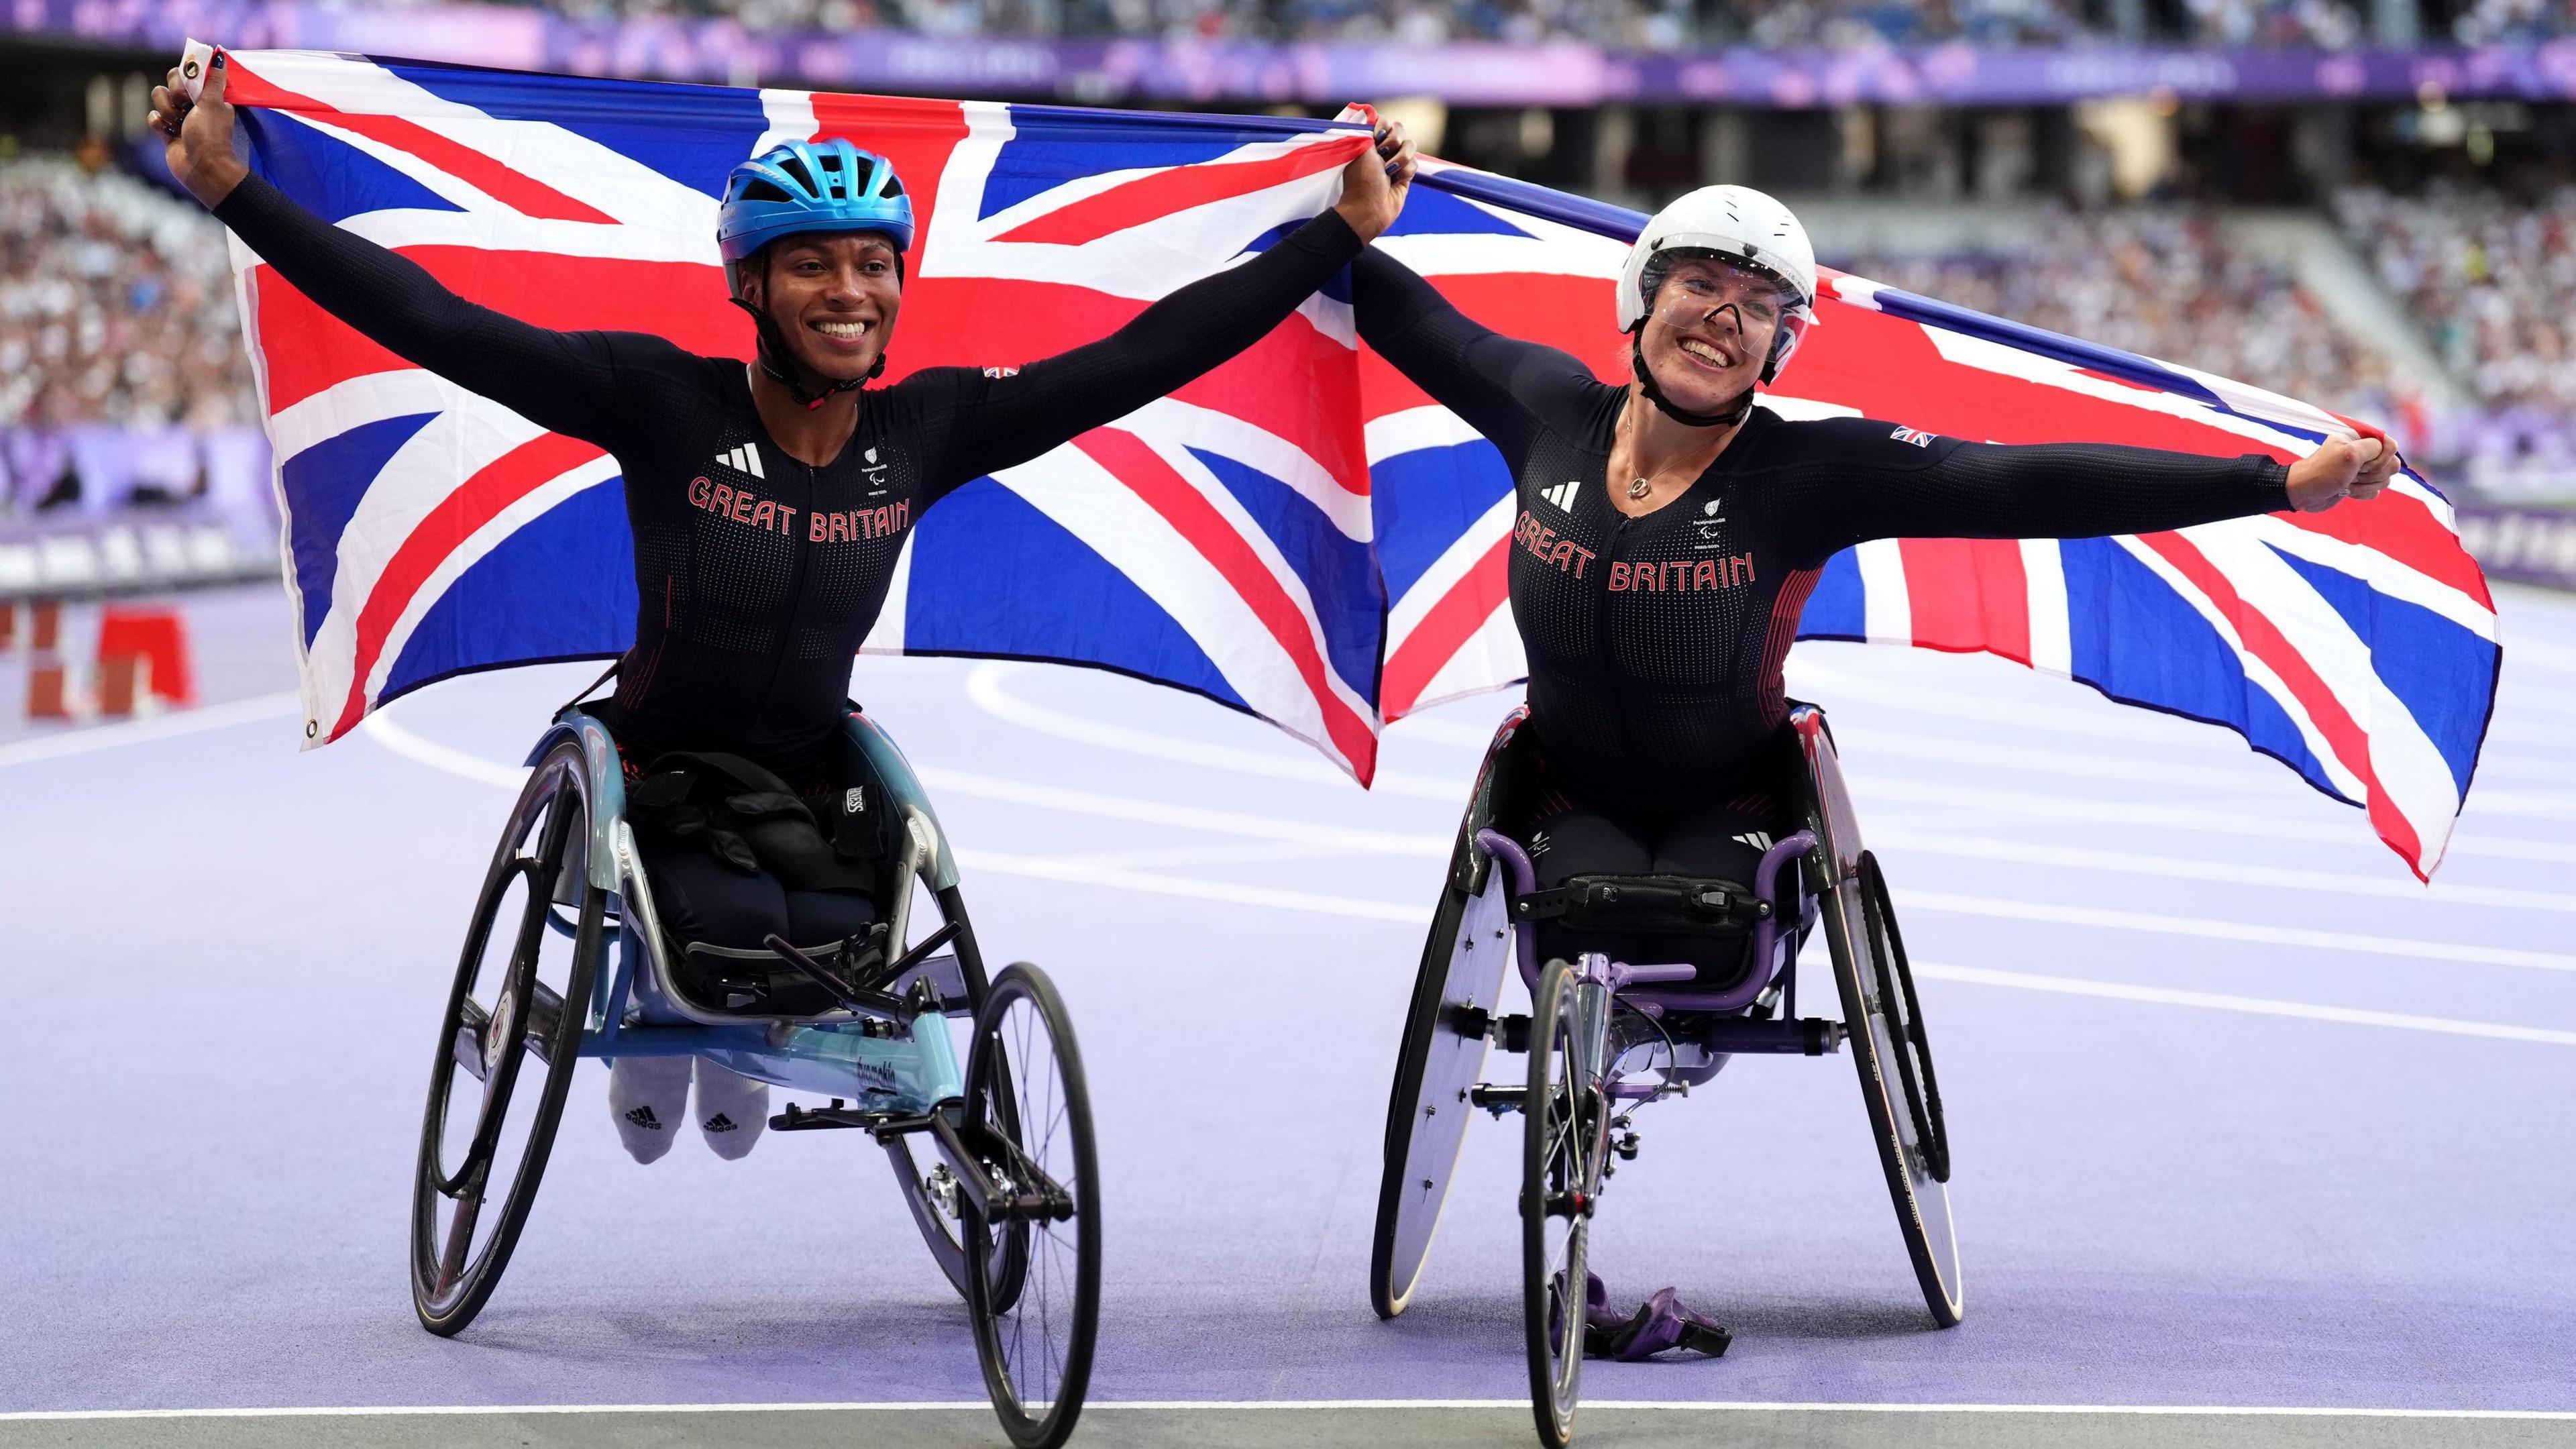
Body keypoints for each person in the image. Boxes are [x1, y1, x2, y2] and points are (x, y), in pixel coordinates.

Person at [152, 53, 1417, 1160]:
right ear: (748, 287)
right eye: (810, 264)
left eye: (873, 264)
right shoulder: (659, 400)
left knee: (836, 939)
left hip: (814, 774)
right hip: (656, 769)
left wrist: (1338, 233)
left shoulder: (929, 427)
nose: (848, 290)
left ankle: (723, 1031)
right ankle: (665, 1024)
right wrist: (234, 190)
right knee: (734, 931)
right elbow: (437, 322)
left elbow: (1142, 356)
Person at [1351, 183, 2400, 980]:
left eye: (1758, 308)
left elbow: (2016, 483)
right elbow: (1397, 309)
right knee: (1573, 914)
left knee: (1701, 930)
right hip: (1569, 792)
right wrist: (1334, 207)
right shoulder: (1545, 412)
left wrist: (2274, 484)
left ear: (1777, 350)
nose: (1724, 317)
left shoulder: (1809, 475)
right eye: (1702, 286)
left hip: (1737, 805)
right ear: (1643, 299)